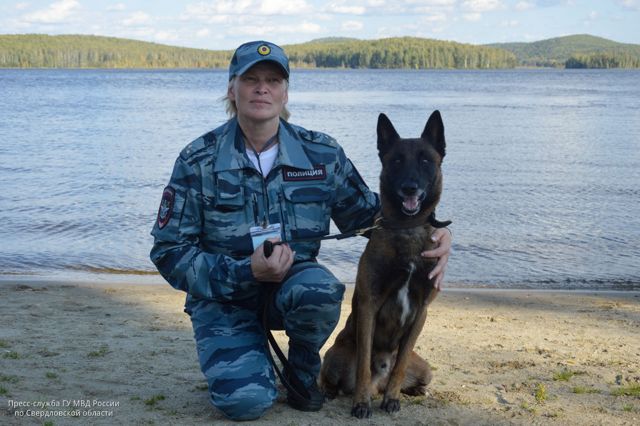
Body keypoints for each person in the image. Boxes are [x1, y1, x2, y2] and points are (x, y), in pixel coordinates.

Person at [150, 40, 452, 421]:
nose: (262, 88)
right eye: (251, 79)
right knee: (246, 403)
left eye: (273, 81)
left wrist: (436, 232)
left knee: (322, 288)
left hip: (292, 292)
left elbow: (375, 218)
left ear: (285, 93)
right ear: (231, 89)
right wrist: (245, 271)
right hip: (224, 299)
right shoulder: (198, 160)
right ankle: (248, 353)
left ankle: (301, 370)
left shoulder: (321, 154)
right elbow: (168, 252)